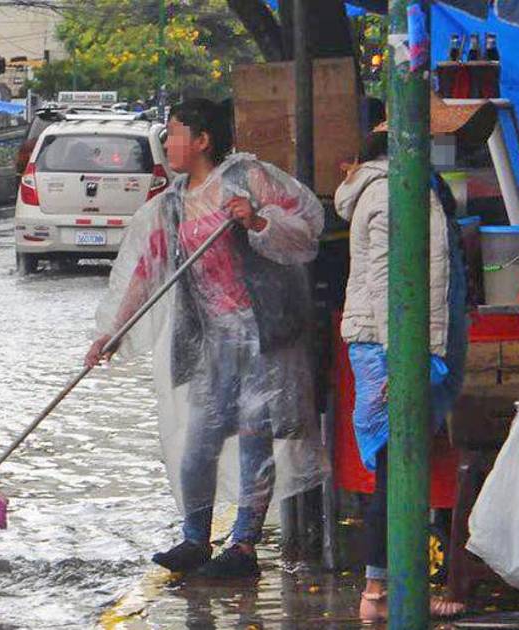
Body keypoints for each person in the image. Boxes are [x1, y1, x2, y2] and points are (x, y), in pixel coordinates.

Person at [86, 98, 327, 579]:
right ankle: (195, 539)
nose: (168, 141)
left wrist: (257, 220)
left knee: (256, 439)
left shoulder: (246, 179)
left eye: (175, 131)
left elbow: (306, 231)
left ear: (202, 140)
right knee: (198, 444)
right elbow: (146, 274)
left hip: (262, 336)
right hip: (211, 343)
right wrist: (114, 331)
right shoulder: (171, 205)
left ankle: (243, 547)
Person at [335, 98, 485, 622]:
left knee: (401, 467)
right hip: (390, 346)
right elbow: (385, 283)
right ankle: (381, 594)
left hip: (399, 344)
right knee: (396, 470)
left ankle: (390, 589)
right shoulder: (392, 190)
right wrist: (402, 362)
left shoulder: (415, 186)